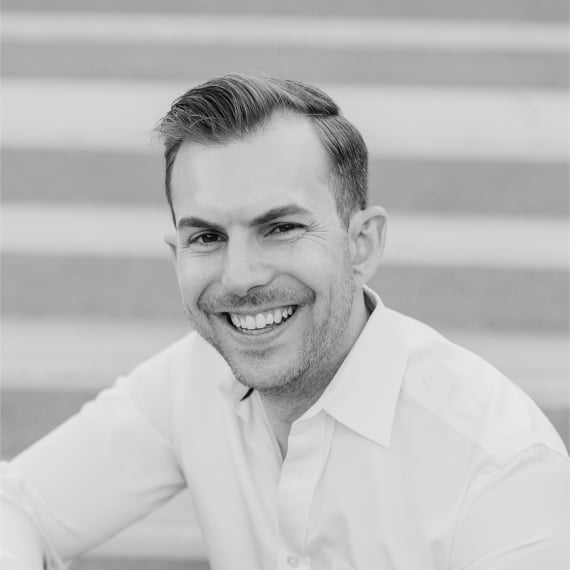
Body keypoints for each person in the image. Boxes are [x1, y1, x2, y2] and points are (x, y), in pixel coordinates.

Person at [1, 74, 568, 570]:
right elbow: (19, 505)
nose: (241, 276)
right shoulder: (192, 379)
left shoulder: (502, 470)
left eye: (281, 228)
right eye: (207, 237)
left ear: (362, 243)